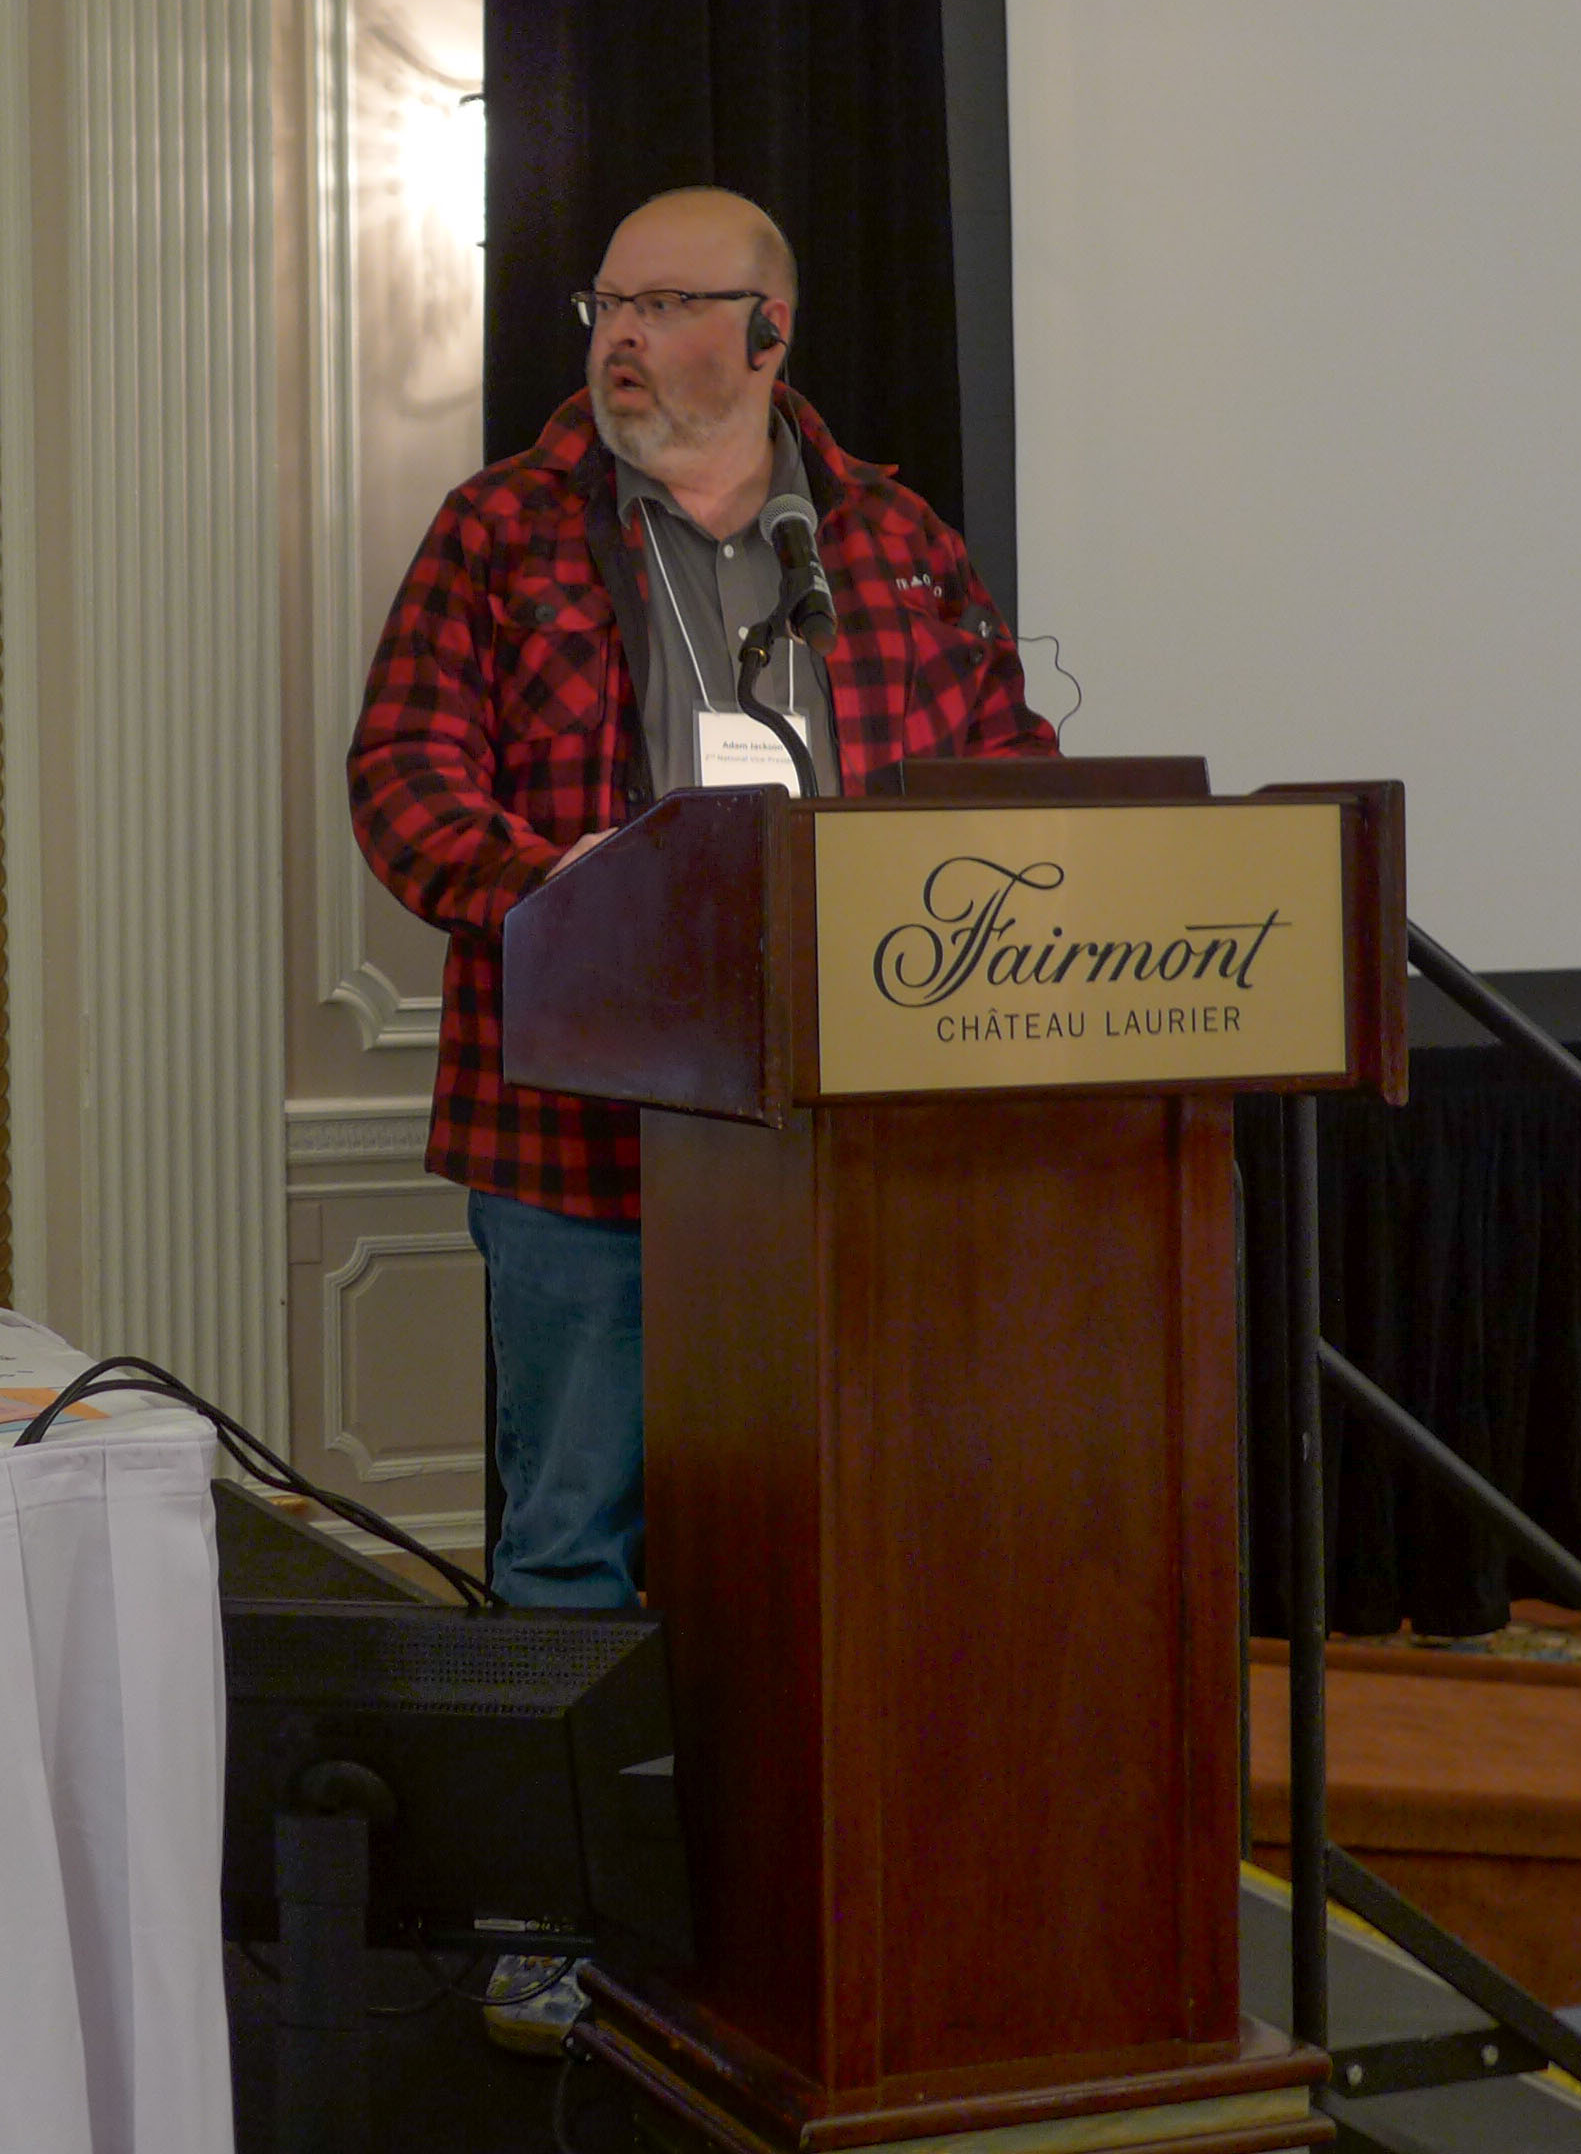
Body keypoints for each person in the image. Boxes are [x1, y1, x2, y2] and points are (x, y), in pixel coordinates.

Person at [350, 188, 1060, 1611]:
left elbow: (1009, 766)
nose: (620, 336)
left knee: (846, 1529)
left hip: (852, 1124)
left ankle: (805, 1832)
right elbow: (403, 773)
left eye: (663, 307)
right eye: (607, 306)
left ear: (766, 332)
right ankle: (587, 1842)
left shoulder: (891, 543)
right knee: (571, 1542)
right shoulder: (500, 527)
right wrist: (544, 891)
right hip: (580, 1131)